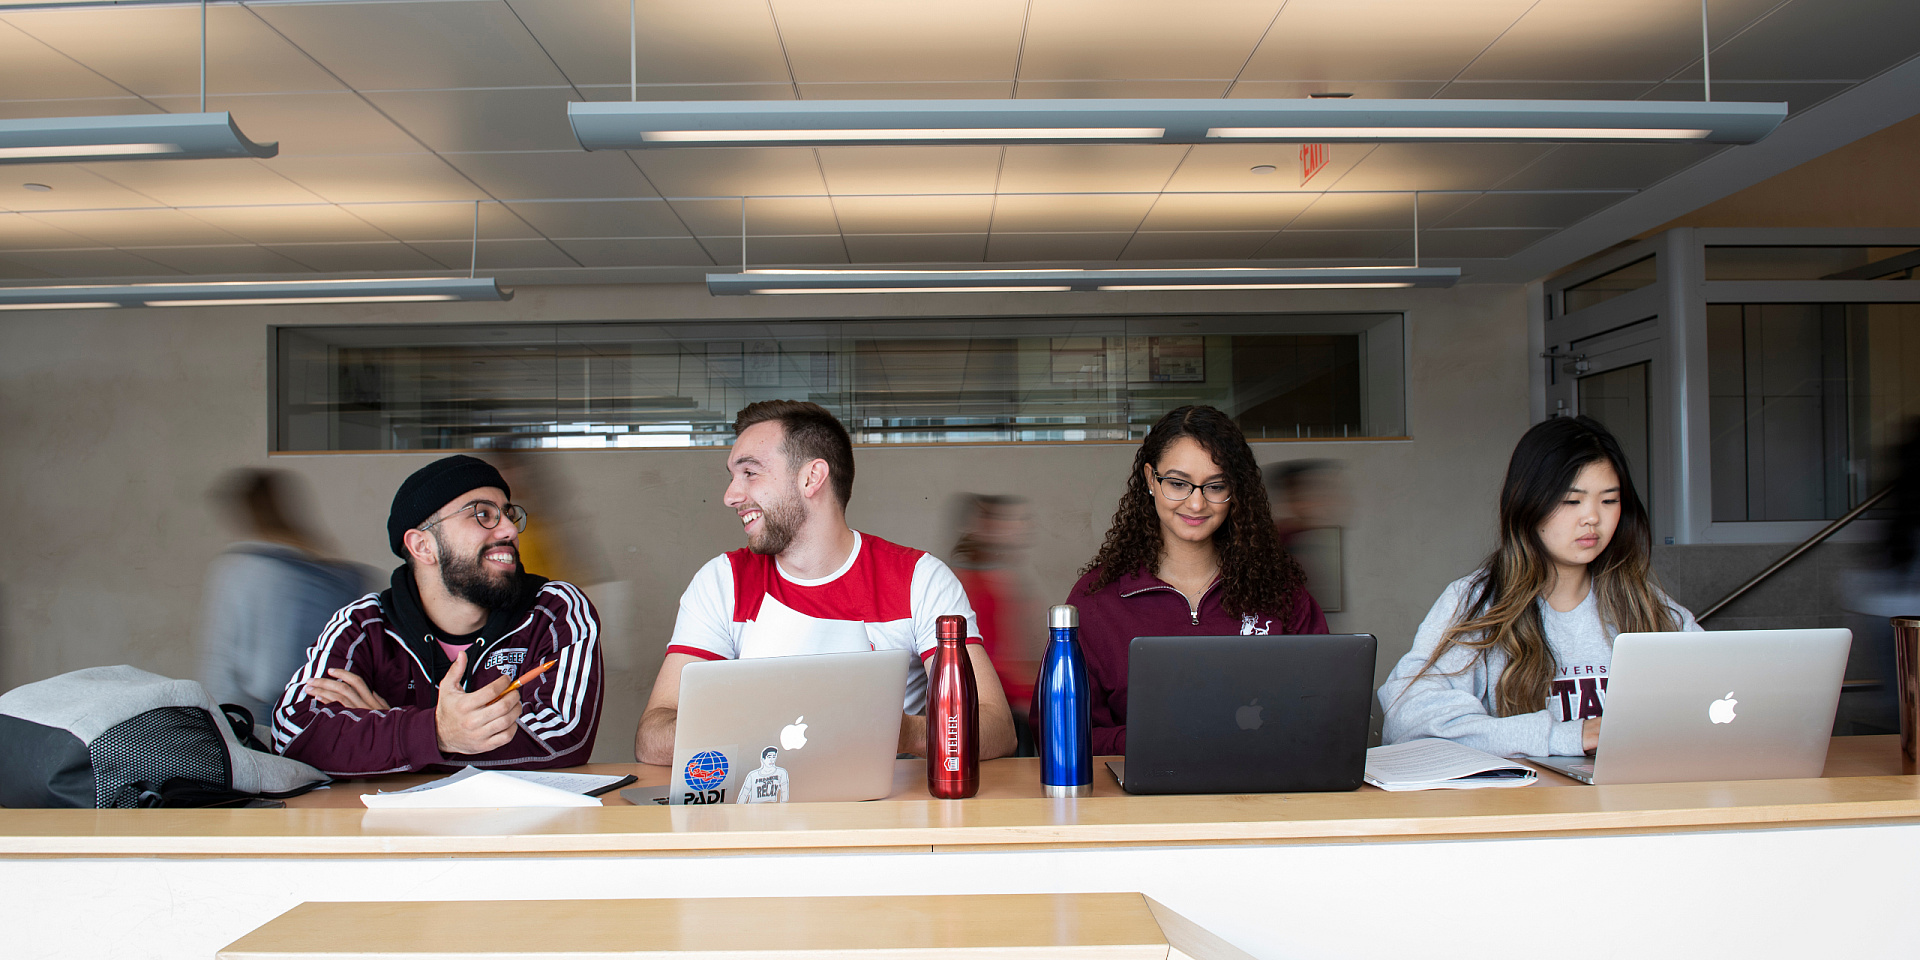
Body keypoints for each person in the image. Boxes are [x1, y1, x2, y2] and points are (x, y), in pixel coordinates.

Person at [636, 400, 1018, 765]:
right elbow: (653, 735)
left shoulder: (919, 579)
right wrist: (766, 732)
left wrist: (900, 733)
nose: (731, 496)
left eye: (749, 473)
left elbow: (996, 727)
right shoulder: (722, 582)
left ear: (811, 477)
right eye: (733, 477)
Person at [1378, 416, 1701, 758]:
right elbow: (1407, 719)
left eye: (1609, 500)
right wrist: (1567, 737)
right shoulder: (1476, 602)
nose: (1592, 517)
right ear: (1528, 504)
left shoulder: (1644, 603)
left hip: (1633, 800)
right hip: (1526, 804)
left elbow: (1721, 698)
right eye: (1571, 501)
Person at [271, 455, 604, 775]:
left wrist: (392, 732)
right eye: (483, 515)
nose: (510, 531)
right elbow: (292, 733)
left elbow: (561, 737)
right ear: (422, 546)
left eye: (508, 514)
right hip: (387, 832)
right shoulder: (362, 625)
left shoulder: (554, 610)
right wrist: (438, 732)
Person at [1042, 405, 1328, 755]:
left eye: (1216, 486)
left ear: (1236, 490)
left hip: (1260, 797)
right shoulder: (1096, 598)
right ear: (1150, 479)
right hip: (1137, 804)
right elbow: (1057, 731)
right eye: (1177, 484)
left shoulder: (1280, 591)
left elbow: (1324, 713)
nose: (1196, 503)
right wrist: (1151, 741)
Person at [198, 469, 371, 725]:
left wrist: (216, 721)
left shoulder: (241, 568)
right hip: (327, 709)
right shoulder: (335, 573)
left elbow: (223, 658)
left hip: (260, 712)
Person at [949, 493, 1040, 756]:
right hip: (989, 711)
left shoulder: (1002, 579)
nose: (1021, 527)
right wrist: (1030, 694)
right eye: (1011, 520)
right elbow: (981, 662)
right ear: (985, 526)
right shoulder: (968, 584)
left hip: (1008, 705)